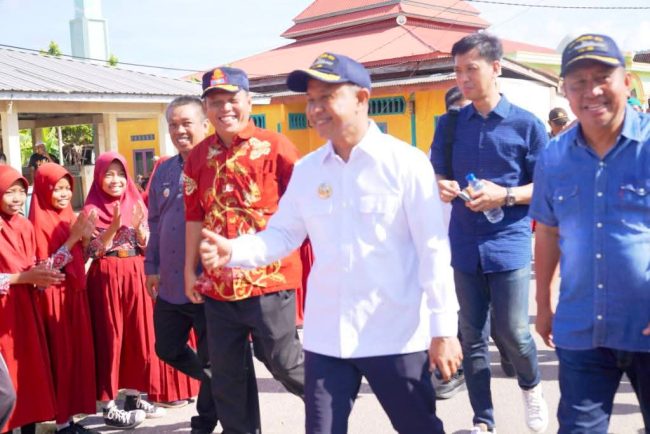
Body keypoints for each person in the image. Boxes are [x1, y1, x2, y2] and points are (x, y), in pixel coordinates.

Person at [199, 52, 462, 434]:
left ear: (361, 99)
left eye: (327, 97)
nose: (315, 109)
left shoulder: (406, 163)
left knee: (419, 428)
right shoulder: (309, 170)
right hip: (328, 338)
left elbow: (433, 250)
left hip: (394, 331)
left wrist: (444, 329)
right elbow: (283, 234)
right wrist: (234, 250)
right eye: (311, 100)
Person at [531, 33, 650, 434]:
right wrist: (543, 303)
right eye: (578, 82)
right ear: (564, 91)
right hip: (582, 328)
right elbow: (548, 231)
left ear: (626, 83)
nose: (591, 91)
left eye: (602, 78)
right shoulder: (554, 156)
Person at [433, 33, 549, 434]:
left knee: (513, 332)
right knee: (472, 337)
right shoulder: (449, 125)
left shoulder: (527, 125)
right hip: (464, 242)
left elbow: (545, 186)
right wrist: (443, 186)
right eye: (457, 71)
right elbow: (438, 173)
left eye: (472, 69)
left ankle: (532, 387)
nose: (463, 78)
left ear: (495, 68)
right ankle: (483, 420)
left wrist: (506, 194)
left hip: (508, 242)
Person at [183, 67, 305, 434]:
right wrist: (190, 270)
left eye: (231, 99)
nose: (224, 109)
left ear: (249, 101)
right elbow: (194, 216)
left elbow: (306, 207)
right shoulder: (197, 156)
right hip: (218, 286)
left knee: (283, 362)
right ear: (206, 108)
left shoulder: (276, 146)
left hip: (269, 279)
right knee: (228, 379)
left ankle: (332, 404)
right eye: (215, 102)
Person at [144, 96, 217, 434]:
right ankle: (220, 381)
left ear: (205, 124)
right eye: (173, 124)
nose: (179, 131)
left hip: (208, 283)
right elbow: (155, 221)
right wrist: (151, 266)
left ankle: (206, 421)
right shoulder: (164, 170)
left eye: (186, 123)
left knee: (213, 356)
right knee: (167, 347)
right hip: (171, 283)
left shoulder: (218, 166)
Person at [83, 152, 163, 428]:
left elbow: (147, 244)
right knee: (111, 337)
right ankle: (108, 405)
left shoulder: (135, 201)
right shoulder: (91, 209)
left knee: (138, 335)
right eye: (108, 174)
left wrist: (140, 230)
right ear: (98, 177)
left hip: (136, 272)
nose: (115, 180)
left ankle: (133, 396)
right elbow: (90, 252)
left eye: (120, 174)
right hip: (107, 275)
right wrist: (112, 228)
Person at [28, 163, 98, 434]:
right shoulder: (38, 223)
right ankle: (60, 422)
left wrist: (85, 239)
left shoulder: (68, 215)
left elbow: (83, 256)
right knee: (62, 357)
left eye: (68, 188)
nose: (64, 194)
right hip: (53, 297)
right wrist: (73, 238)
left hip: (74, 294)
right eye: (57, 189)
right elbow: (45, 268)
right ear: (44, 189)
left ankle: (68, 419)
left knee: (76, 356)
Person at [0, 165, 59, 434]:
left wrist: (41, 277)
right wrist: (24, 277)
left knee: (30, 376)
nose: (16, 198)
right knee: (7, 384)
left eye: (21, 192)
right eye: (9, 192)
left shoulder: (24, 225)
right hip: (4, 313)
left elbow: (32, 263)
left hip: (26, 308)